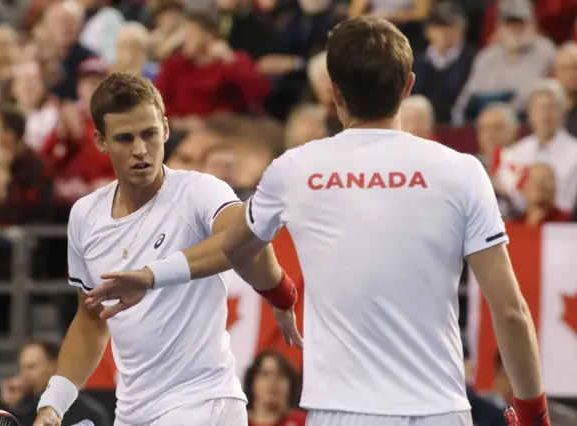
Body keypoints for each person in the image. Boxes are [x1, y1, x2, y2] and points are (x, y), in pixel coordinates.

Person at [220, 16, 549, 426]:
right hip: (438, 410)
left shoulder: (294, 168)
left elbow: (233, 247)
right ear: (409, 86)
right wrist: (535, 416)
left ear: (334, 92)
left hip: (340, 412)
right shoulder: (461, 171)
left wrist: (280, 293)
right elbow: (511, 311)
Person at [33, 72, 287, 426]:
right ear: (101, 142)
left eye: (149, 134)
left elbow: (248, 239)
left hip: (205, 402)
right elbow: (91, 318)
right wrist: (53, 404)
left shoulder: (200, 192)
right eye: (124, 138)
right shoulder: (85, 216)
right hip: (133, 411)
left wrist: (151, 276)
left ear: (165, 129)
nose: (140, 150)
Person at [0, 340, 110, 426]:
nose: (24, 374)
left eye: (31, 367)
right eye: (22, 368)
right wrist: (11, 406)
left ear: (53, 365)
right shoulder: (19, 408)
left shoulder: (88, 412)